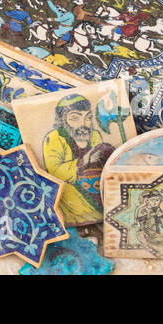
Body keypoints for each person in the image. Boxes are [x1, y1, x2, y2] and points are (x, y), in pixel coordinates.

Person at [40, 93, 116, 225]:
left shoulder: (94, 135)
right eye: (75, 118)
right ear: (62, 120)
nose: (84, 124)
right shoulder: (53, 138)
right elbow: (54, 172)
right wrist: (84, 161)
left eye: (88, 118)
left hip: (97, 192)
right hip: (73, 202)